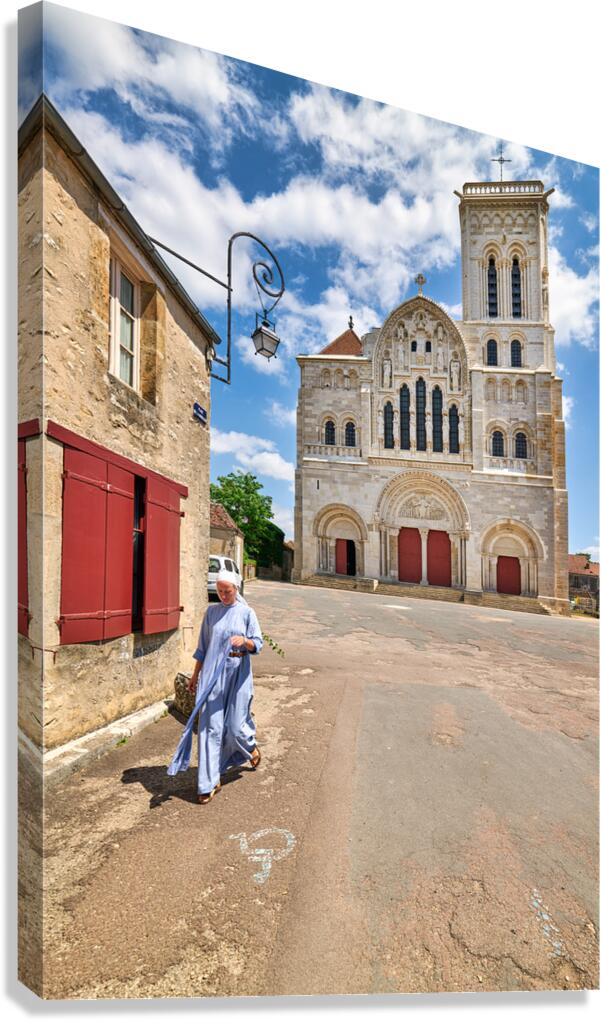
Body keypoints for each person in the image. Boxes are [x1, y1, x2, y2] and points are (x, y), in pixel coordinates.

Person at [167, 568, 263, 804]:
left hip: (238, 675)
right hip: (212, 675)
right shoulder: (211, 613)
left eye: (227, 591)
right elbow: (203, 648)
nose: (223, 595)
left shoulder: (247, 613)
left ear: (236, 589)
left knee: (236, 726)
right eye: (219, 591)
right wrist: (195, 676)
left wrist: (246, 641)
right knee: (210, 728)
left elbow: (258, 644)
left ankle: (249, 748)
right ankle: (208, 782)